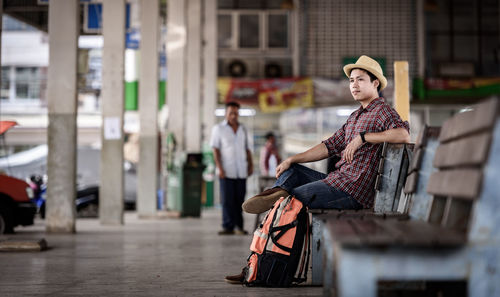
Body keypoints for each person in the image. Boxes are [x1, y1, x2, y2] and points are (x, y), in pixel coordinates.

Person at [225, 55, 409, 284]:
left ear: (375, 84)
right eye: (351, 80)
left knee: (293, 201)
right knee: (292, 172)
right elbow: (329, 146)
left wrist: (363, 138)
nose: (354, 84)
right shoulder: (355, 117)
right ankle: (278, 195)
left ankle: (264, 268)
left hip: (351, 190)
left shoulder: (382, 111)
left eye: (360, 79)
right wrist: (292, 158)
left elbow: (403, 134)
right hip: (337, 181)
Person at [210, 101, 254, 235]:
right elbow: (215, 149)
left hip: (241, 171)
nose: (234, 116)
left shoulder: (243, 129)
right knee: (227, 201)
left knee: (240, 200)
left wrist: (250, 165)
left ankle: (239, 226)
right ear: (226, 114)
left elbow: (247, 149)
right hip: (226, 171)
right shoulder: (219, 129)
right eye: (231, 113)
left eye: (236, 113)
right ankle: (228, 226)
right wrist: (220, 168)